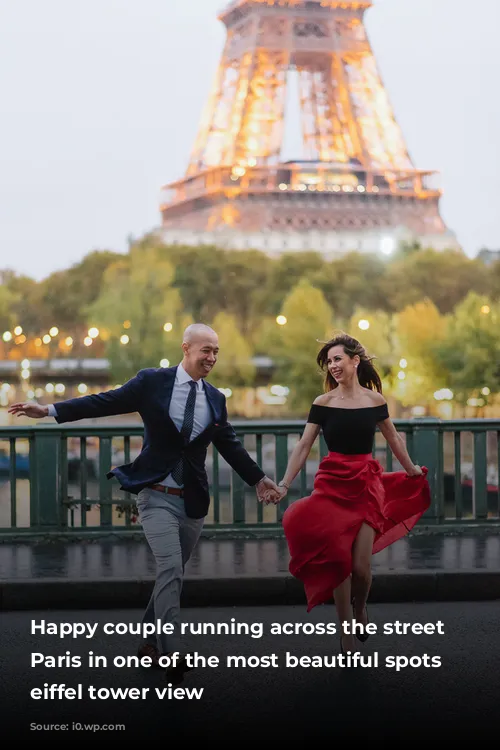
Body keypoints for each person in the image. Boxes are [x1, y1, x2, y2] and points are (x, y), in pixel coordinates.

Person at [8, 323, 279, 682]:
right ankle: (171, 651)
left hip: (192, 501)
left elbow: (229, 444)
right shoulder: (152, 382)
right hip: (154, 496)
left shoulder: (215, 398)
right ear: (186, 348)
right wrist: (50, 410)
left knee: (171, 574)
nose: (211, 358)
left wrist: (259, 479)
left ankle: (150, 640)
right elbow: (104, 401)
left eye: (216, 351)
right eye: (205, 350)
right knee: (171, 569)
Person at [268, 333, 430, 655]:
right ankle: (346, 636)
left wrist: (411, 469)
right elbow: (303, 445)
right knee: (338, 561)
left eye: (338, 359)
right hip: (331, 487)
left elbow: (394, 439)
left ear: (355, 361)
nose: (333, 366)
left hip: (366, 487)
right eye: (329, 362)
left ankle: (360, 608)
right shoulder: (323, 404)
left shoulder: (375, 402)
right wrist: (285, 484)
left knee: (360, 568)